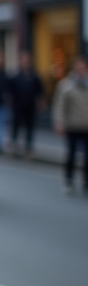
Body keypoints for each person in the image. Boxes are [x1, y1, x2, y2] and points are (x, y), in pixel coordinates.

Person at [52, 56, 88, 195]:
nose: (81, 70)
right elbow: (59, 106)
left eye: (83, 67)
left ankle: (86, 184)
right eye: (78, 67)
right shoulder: (66, 85)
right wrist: (59, 122)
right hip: (72, 126)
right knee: (71, 155)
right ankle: (68, 181)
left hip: (86, 126)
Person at [8, 51, 44, 158]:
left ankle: (28, 149)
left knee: (30, 128)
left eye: (26, 61)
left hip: (30, 106)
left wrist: (40, 101)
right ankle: (14, 146)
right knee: (16, 126)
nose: (25, 63)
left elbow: (39, 90)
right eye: (23, 61)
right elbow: (10, 90)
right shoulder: (15, 76)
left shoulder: (34, 76)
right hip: (18, 106)